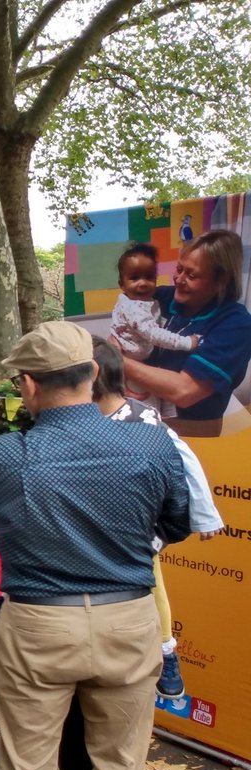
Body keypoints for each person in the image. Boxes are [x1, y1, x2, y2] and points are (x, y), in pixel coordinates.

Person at [0, 321, 192, 770]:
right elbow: (177, 524)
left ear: (30, 385)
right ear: (92, 374)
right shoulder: (151, 442)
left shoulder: (10, 455)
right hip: (129, 620)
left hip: (39, 625)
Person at [92, 339, 223, 699]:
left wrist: (205, 514)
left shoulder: (142, 420)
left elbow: (185, 460)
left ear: (90, 379)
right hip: (96, 526)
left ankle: (166, 651)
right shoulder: (77, 421)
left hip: (136, 530)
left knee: (150, 584)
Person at [120, 229, 251, 421]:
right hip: (142, 412)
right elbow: (121, 323)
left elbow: (184, 392)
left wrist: (118, 361)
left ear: (221, 281)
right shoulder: (161, 298)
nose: (179, 280)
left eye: (191, 275)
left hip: (191, 431)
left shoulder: (236, 325)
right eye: (179, 269)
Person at [107, 243, 197, 415]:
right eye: (134, 278)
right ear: (122, 284)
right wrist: (187, 343)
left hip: (140, 361)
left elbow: (155, 322)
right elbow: (153, 333)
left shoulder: (147, 301)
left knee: (157, 398)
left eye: (149, 277)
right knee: (145, 408)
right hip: (133, 362)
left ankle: (165, 420)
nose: (143, 283)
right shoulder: (133, 308)